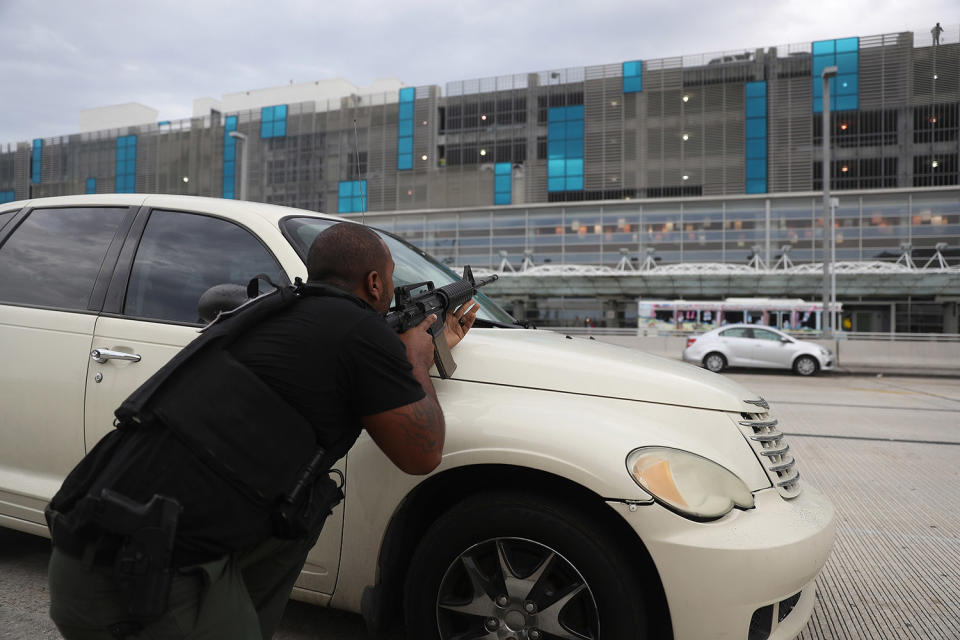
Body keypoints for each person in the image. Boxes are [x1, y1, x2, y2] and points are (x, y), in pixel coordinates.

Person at [46, 222, 480, 639]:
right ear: (373, 283)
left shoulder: (275, 312)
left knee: (305, 508)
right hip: (135, 581)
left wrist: (420, 348)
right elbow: (422, 454)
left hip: (88, 548)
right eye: (389, 282)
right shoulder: (360, 333)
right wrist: (417, 362)